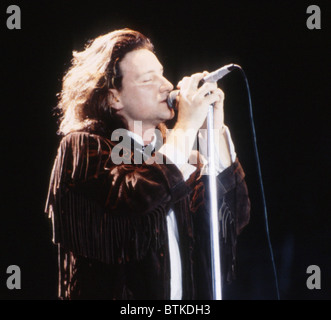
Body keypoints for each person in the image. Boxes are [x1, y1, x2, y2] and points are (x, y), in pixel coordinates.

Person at [45, 28, 250, 300]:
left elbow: (225, 228)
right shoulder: (82, 148)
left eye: (162, 74)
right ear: (113, 97)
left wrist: (212, 132)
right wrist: (185, 127)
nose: (166, 85)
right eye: (148, 79)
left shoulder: (177, 161)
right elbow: (133, 200)